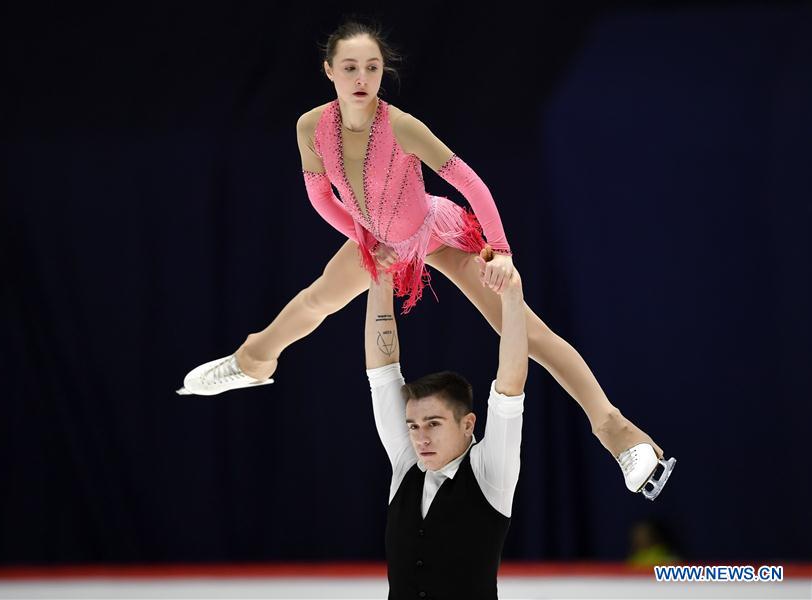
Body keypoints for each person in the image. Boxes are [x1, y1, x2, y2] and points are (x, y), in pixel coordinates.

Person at [177, 19, 675, 499]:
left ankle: (618, 431)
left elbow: (471, 183)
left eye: (371, 67)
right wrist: (364, 239)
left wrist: (499, 250)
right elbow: (320, 196)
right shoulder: (311, 127)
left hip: (437, 231)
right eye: (349, 67)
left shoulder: (401, 126)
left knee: (523, 331)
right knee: (315, 302)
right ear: (329, 70)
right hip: (382, 240)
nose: (361, 78)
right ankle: (252, 361)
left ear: (382, 71)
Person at [367, 246, 528, 599]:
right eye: (413, 425)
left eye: (434, 424)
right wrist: (380, 277)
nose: (420, 437)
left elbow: (510, 388)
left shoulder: (490, 472)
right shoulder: (407, 463)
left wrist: (512, 294)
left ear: (468, 424)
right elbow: (382, 371)